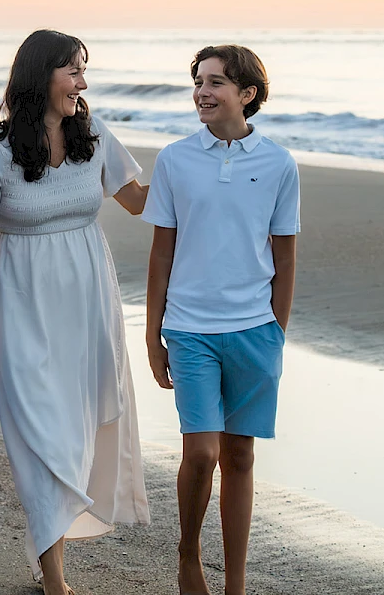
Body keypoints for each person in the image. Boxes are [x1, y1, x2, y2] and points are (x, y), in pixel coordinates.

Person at [0, 29, 151, 595]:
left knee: (80, 426)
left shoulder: (94, 137)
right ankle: (55, 579)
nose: (82, 83)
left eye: (83, 71)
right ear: (42, 75)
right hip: (23, 305)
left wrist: (208, 180)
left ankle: (52, 564)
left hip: (90, 302)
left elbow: (142, 201)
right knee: (40, 431)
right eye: (72, 70)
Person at [142, 45, 300, 595]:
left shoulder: (279, 163)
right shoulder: (175, 159)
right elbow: (162, 253)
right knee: (203, 451)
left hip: (255, 331)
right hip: (189, 330)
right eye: (199, 82)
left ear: (247, 94)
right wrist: (152, 333)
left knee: (239, 455)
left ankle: (235, 581)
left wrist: (275, 332)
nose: (202, 93)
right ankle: (189, 554)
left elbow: (284, 257)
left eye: (216, 83)